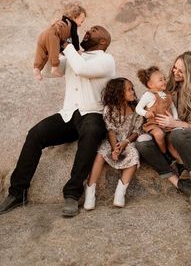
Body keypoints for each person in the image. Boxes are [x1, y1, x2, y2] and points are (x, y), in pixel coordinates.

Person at [0, 25, 116, 217]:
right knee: (35, 134)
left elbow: (82, 69)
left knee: (92, 132)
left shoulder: (106, 60)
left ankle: (72, 193)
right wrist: (51, 44)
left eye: (95, 30)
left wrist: (67, 44)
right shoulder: (74, 56)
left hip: (93, 113)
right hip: (69, 114)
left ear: (104, 41)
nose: (89, 30)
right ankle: (18, 192)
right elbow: (49, 71)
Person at [136, 51, 191, 210]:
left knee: (178, 133)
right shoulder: (167, 88)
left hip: (188, 136)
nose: (174, 72)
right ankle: (180, 183)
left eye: (180, 71)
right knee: (142, 143)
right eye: (174, 68)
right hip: (164, 134)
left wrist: (176, 123)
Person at [84, 78, 143, 210]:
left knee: (134, 156)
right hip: (112, 141)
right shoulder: (109, 110)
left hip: (127, 141)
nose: (133, 91)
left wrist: (125, 142)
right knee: (100, 154)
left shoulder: (137, 109)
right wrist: (114, 148)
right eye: (129, 89)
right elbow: (110, 131)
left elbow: (137, 131)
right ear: (119, 94)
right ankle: (90, 190)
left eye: (132, 88)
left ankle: (120, 191)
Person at [136, 66, 178, 165]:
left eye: (164, 79)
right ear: (150, 84)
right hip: (154, 124)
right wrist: (146, 113)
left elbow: (172, 107)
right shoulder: (148, 95)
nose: (164, 81)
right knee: (159, 134)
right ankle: (165, 154)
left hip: (167, 123)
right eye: (160, 80)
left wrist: (175, 119)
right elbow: (138, 108)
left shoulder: (167, 94)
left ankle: (175, 153)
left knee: (174, 135)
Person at [33, 3, 86, 81]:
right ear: (75, 17)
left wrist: (62, 50)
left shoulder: (61, 21)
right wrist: (77, 49)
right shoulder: (72, 24)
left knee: (41, 53)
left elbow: (62, 41)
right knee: (54, 51)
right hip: (52, 36)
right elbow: (75, 37)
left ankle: (37, 69)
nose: (81, 24)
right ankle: (54, 68)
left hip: (43, 34)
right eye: (81, 21)